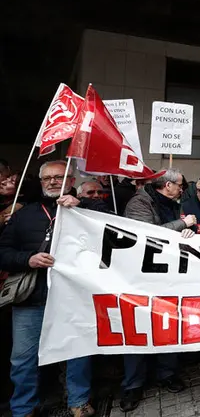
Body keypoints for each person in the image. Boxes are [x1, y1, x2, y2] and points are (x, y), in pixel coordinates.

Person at [0, 160, 108, 417]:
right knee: (23, 359)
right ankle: (23, 408)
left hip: (74, 297)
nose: (52, 182)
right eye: (47, 178)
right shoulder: (24, 215)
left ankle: (78, 400)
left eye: (59, 177)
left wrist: (82, 205)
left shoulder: (88, 210)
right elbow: (3, 252)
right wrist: (28, 259)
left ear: (71, 181)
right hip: (32, 299)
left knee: (77, 351)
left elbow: (115, 226)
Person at [120, 169, 194, 412]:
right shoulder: (140, 202)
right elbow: (148, 234)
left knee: (168, 325)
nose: (182, 189)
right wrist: (182, 223)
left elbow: (172, 234)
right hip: (141, 278)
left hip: (167, 277)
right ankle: (133, 385)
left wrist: (186, 232)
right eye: (180, 185)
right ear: (168, 185)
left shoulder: (173, 202)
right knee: (139, 330)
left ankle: (167, 374)